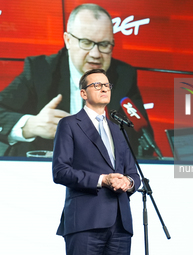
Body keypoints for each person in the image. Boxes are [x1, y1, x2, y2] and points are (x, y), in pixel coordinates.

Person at [0, 3, 153, 157]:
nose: (95, 54)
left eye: (104, 44)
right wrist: (32, 125)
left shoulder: (123, 76)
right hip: (44, 175)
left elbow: (144, 139)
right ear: (68, 40)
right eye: (86, 42)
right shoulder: (40, 71)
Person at [52, 69, 140, 255]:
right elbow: (60, 171)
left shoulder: (119, 129)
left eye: (107, 85)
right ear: (83, 93)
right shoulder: (69, 124)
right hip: (86, 221)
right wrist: (103, 180)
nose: (104, 89)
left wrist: (128, 182)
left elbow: (133, 173)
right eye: (97, 85)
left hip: (120, 225)